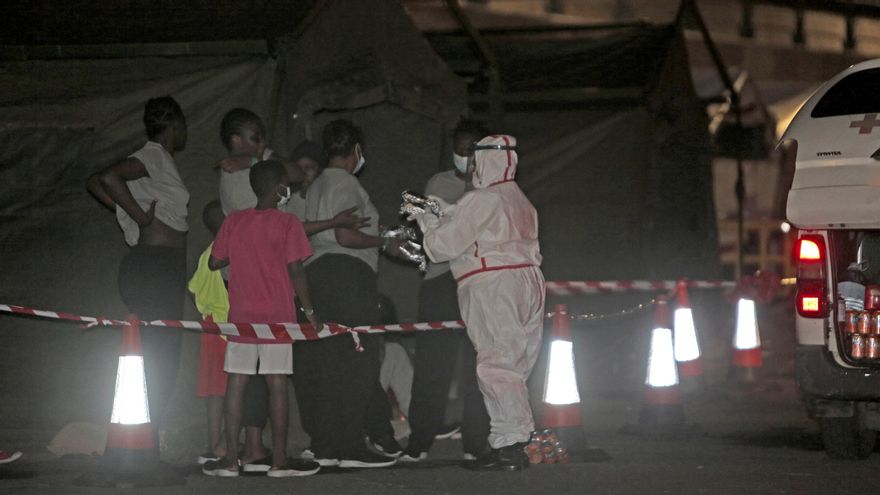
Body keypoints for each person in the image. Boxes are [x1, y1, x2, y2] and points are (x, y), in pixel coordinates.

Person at [415, 134, 545, 472]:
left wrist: (425, 219)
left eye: (475, 160)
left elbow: (440, 247)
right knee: (515, 364)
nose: (470, 166)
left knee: (496, 363)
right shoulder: (520, 200)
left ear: (485, 161)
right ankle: (514, 439)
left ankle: (509, 446)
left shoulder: (483, 199)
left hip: (492, 285)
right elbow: (472, 221)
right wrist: (444, 210)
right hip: (527, 282)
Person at [292, 119, 403, 469]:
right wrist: (384, 241)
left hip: (317, 275)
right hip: (348, 275)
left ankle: (328, 444)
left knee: (329, 364)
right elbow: (345, 236)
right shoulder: (345, 182)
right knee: (358, 361)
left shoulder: (317, 186)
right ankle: (350, 446)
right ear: (356, 150)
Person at [203, 160, 321, 478]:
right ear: (277, 187)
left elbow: (215, 262)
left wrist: (240, 251)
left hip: (241, 316)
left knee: (237, 383)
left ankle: (230, 461)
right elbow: (296, 269)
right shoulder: (288, 223)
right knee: (277, 384)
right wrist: (310, 312)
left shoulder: (235, 221)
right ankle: (279, 462)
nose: (289, 190)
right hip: (277, 317)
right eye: (286, 184)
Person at [86, 96, 189, 445]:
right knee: (160, 356)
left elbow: (93, 183)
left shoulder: (159, 163)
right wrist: (139, 215)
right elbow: (107, 176)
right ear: (175, 125)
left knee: (157, 353)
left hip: (154, 267)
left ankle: (147, 438)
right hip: (155, 267)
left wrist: (126, 210)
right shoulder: (155, 156)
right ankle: (146, 441)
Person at [401, 119, 491, 463]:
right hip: (441, 282)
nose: (465, 155)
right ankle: (420, 440)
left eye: (473, 149)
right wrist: (471, 186)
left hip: (478, 282)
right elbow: (447, 229)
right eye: (461, 148)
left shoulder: (494, 190)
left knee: (478, 365)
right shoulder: (438, 182)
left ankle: (476, 442)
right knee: (431, 366)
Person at [188, 200, 230, 465]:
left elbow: (193, 287)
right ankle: (223, 444)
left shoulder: (206, 253)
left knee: (216, 390)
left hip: (211, 326)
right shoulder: (225, 251)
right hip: (228, 327)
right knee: (233, 389)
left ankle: (213, 443)